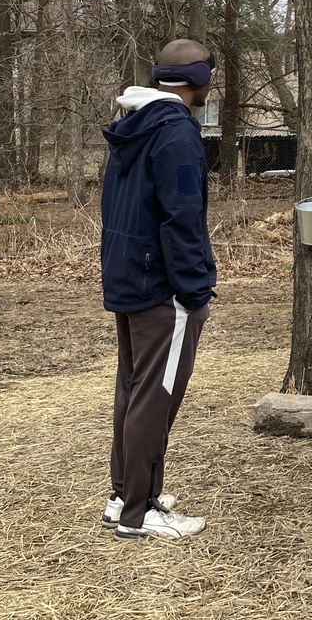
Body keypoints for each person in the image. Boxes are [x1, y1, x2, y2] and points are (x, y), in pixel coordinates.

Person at [100, 39, 217, 540]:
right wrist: (195, 289)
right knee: (155, 395)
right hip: (162, 288)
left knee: (134, 389)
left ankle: (125, 495)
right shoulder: (175, 135)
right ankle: (138, 512)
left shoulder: (136, 126)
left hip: (128, 276)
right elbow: (182, 219)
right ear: (200, 81)